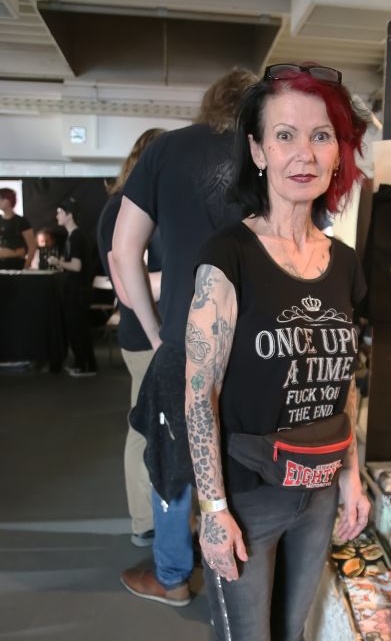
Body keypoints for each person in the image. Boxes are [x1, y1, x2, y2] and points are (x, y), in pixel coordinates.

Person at [184, 64, 371, 641]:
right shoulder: (228, 256)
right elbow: (198, 392)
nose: (304, 153)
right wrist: (213, 508)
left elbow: (342, 380)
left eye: (321, 136)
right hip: (249, 496)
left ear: (338, 152)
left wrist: (352, 476)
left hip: (317, 489)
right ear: (258, 151)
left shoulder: (344, 264)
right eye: (285, 135)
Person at [111, 68, 257, 606]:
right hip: (257, 341)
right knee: (247, 460)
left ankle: (173, 576)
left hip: (183, 337)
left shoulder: (165, 150)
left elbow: (124, 252)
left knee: (174, 461)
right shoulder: (271, 149)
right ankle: (243, 576)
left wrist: (155, 331)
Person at [97, 128, 165, 547]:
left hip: (153, 335)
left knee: (149, 429)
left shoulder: (137, 206)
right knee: (143, 431)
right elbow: (127, 284)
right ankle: (144, 520)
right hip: (144, 337)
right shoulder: (121, 210)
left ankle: (151, 520)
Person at [50, 197, 97, 377]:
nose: (57, 216)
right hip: (77, 290)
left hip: (78, 292)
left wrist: (58, 262)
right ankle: (83, 363)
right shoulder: (74, 236)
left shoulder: (76, 237)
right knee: (78, 329)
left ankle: (85, 365)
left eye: (60, 212)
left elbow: (77, 266)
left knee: (78, 329)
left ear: (69, 215)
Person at [0, 187, 37, 269]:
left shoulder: (21, 221)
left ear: (8, 200)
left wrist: (26, 266)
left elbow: (32, 246)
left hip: (16, 265)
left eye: (1, 199)